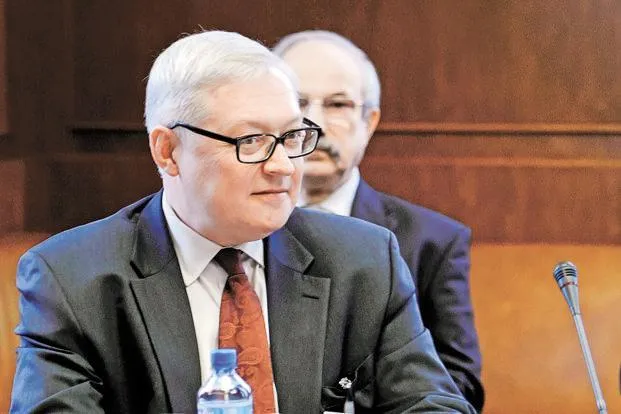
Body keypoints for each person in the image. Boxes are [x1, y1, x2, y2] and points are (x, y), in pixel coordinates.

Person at [10, 30, 475, 413]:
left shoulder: (364, 260)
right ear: (167, 151)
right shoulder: (71, 279)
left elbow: (433, 404)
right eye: (250, 141)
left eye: (291, 137)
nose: (284, 166)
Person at [273, 30, 484, 410]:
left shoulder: (432, 241)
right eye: (298, 102)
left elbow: (457, 383)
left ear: (369, 122)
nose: (314, 122)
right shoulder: (238, 229)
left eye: (337, 104)